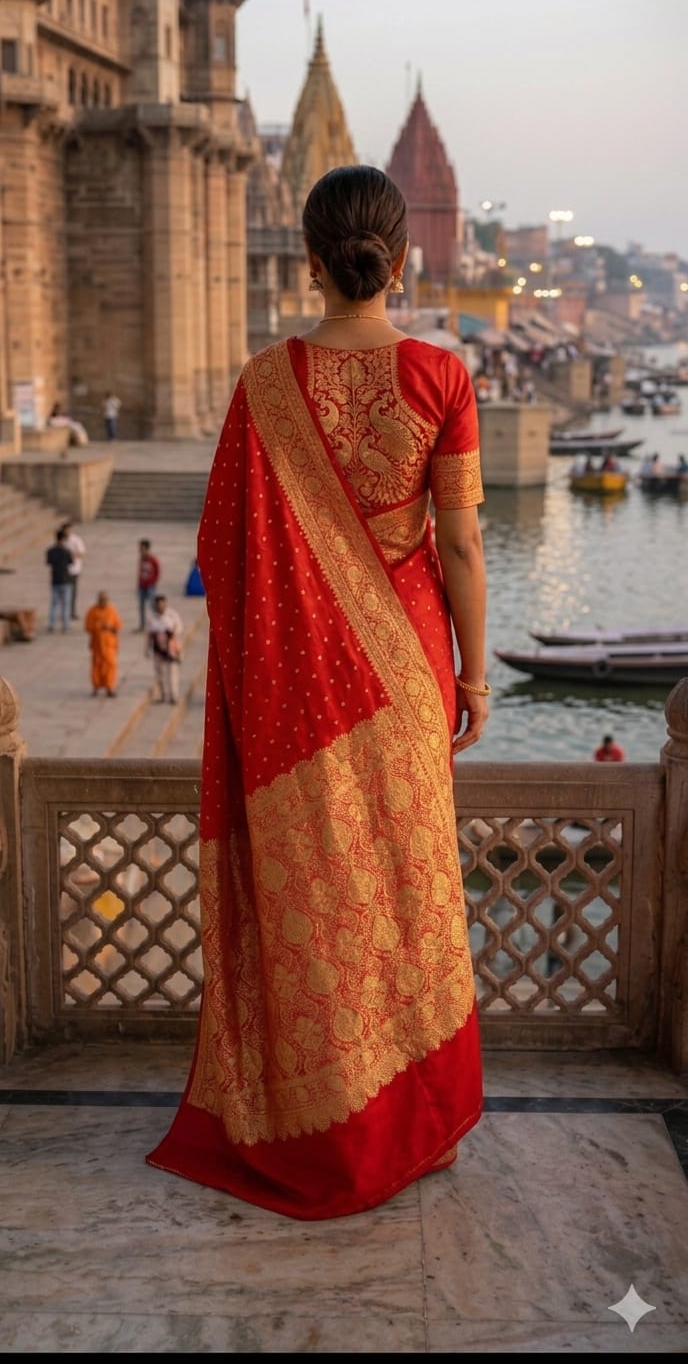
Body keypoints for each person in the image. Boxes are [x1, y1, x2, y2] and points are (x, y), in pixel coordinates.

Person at [146, 164, 489, 1221]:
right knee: (405, 891)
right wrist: (476, 672)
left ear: (308, 257)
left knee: (315, 896)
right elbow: (464, 545)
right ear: (405, 255)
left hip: (294, 688)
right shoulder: (442, 373)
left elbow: (223, 546)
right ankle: (411, 1126)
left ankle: (315, 1120)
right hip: (409, 671)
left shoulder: (261, 384)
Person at [146, 593, 183, 703]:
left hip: (170, 648)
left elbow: (179, 629)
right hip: (157, 649)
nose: (161, 607)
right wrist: (147, 649)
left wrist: (171, 633)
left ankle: (173, 695)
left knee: (172, 673)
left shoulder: (172, 615)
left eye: (163, 604)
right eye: (159, 605)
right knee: (159, 673)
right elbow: (149, 634)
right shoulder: (152, 618)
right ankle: (163, 695)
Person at [84, 590, 123, 697]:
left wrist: (109, 627)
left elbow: (118, 626)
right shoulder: (92, 611)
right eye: (102, 600)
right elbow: (87, 627)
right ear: (98, 600)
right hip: (97, 645)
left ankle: (110, 687)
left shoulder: (112, 610)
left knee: (111, 665)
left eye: (106, 600)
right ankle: (95, 687)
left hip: (109, 644)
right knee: (96, 666)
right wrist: (98, 626)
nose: (104, 602)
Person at [45, 527, 73, 633]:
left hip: (55, 579)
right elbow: (71, 562)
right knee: (65, 604)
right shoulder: (67, 551)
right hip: (65, 579)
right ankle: (65, 625)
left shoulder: (50, 551)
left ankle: (51, 624)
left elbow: (48, 563)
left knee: (54, 604)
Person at [59, 520, 86, 620]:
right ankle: (64, 611)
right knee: (63, 591)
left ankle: (72, 611)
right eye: (65, 530)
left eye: (68, 530)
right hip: (63, 569)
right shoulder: (61, 540)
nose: (67, 532)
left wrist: (72, 555)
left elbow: (82, 553)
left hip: (74, 569)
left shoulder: (76, 539)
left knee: (73, 591)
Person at [136, 538, 161, 631]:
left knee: (153, 605)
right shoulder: (141, 559)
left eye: (142, 548)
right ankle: (142, 625)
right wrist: (139, 583)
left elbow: (158, 571)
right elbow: (140, 572)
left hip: (150, 586)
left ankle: (158, 623)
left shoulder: (153, 559)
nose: (140, 550)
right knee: (141, 606)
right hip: (142, 586)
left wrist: (153, 582)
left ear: (147, 549)